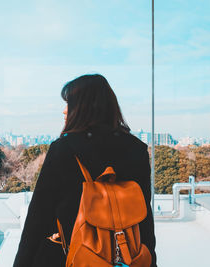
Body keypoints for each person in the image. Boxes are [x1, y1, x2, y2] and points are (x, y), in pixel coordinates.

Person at [13, 74, 157, 267]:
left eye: (69, 104)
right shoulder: (136, 149)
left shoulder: (64, 148)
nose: (64, 111)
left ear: (83, 109)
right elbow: (144, 218)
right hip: (126, 258)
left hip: (71, 258)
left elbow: (38, 218)